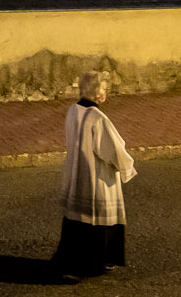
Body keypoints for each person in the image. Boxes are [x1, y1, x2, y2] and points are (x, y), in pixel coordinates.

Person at [53, 69, 137, 281]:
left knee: (76, 219)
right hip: (96, 177)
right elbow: (113, 149)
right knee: (98, 219)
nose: (105, 94)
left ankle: (70, 262)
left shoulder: (73, 110)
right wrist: (126, 166)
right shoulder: (98, 118)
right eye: (105, 90)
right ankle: (93, 263)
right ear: (99, 94)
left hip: (76, 171)